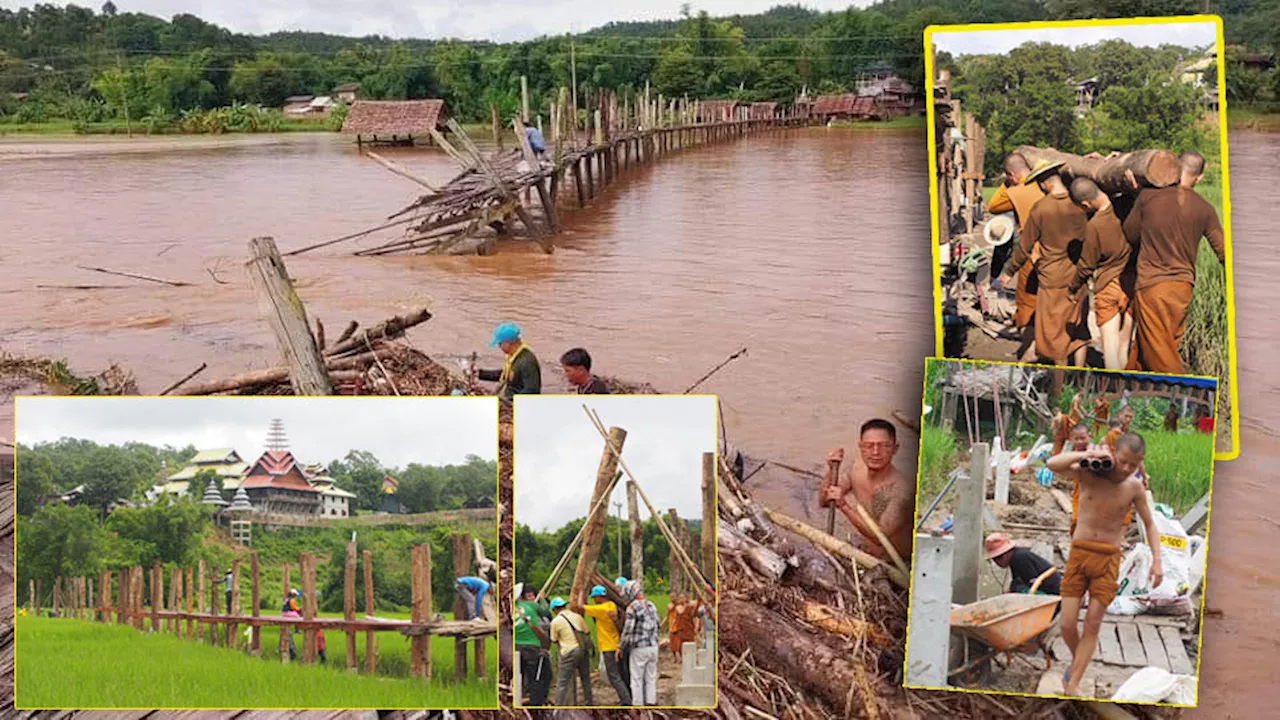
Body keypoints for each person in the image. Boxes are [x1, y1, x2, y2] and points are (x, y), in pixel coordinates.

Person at [1048, 434, 1163, 697]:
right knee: (1067, 624)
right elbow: (1053, 463)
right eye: (1122, 462)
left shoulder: (1134, 488)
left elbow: (1150, 524)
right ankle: (1079, 664)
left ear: (1140, 463)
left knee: (1092, 623)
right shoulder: (1089, 474)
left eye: (1132, 466)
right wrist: (1087, 456)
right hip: (1079, 554)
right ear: (1113, 454)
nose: (1125, 469)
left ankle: (1073, 683)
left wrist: (1157, 562)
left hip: (1108, 558)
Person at [1122, 152, 1226, 373]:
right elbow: (1225, 252)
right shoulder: (1205, 208)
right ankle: (1127, 390)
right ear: (1199, 177)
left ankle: (1180, 396)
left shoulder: (1148, 197)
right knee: (1149, 349)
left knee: (1162, 357)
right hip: (1182, 289)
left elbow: (1130, 234)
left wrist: (1137, 198)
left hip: (1152, 286)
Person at [998, 160, 1090, 367]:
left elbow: (1025, 246)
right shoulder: (1080, 204)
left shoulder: (1042, 208)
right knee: (1079, 330)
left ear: (1043, 182)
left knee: (1055, 338)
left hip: (1052, 280)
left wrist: (1008, 272)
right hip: (1079, 278)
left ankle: (1059, 387)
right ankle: (1078, 374)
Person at [819, 419, 915, 563]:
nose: (876, 452)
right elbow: (824, 501)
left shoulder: (902, 490)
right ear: (861, 447)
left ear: (895, 448)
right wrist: (831, 471)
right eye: (869, 446)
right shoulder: (855, 469)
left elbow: (880, 538)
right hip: (865, 555)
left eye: (883, 446)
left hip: (897, 562)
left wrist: (844, 506)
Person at [1068, 177, 1135, 370]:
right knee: (1125, 344)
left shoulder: (1094, 226)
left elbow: (1086, 265)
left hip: (1108, 286)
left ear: (1086, 204)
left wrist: (1072, 288)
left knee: (1111, 348)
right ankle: (1125, 393)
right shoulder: (1126, 207)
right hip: (1131, 281)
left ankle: (1113, 392)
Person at [988, 153, 1048, 360]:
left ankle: (1031, 352)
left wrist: (1007, 184)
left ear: (1012, 175)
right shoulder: (1047, 186)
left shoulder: (1017, 192)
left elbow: (993, 206)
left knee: (1027, 305)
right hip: (1057, 256)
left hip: (1031, 255)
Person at [584, 585, 631, 705]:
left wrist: (581, 594)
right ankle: (627, 698)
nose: (594, 600)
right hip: (615, 644)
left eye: (594, 597)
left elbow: (579, 606)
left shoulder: (602, 609)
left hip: (608, 646)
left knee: (614, 676)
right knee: (619, 674)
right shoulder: (611, 605)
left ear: (599, 597)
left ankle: (626, 702)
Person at [618, 580, 660, 706]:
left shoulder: (633, 607)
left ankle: (638, 706)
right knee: (650, 678)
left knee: (636, 679)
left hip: (639, 648)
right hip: (653, 647)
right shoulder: (651, 605)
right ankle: (651, 703)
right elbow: (657, 625)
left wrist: (621, 647)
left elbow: (628, 629)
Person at [477, 322, 541, 401]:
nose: (499, 346)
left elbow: (532, 391)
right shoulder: (514, 356)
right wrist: (480, 374)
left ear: (508, 343)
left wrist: (508, 401)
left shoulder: (527, 362)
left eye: (500, 343)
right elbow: (506, 375)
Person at [984, 532, 1062, 596]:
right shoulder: (1014, 559)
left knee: (1016, 587)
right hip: (1047, 590)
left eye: (999, 558)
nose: (997, 562)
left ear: (1007, 552)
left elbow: (1032, 583)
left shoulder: (1020, 558)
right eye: (994, 559)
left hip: (1053, 594)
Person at [513, 583, 553, 706]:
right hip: (531, 647)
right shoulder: (531, 605)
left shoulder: (511, 609)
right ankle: (535, 703)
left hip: (516, 646)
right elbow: (546, 611)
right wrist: (542, 599)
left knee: (519, 675)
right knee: (535, 677)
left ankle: (519, 700)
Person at [548, 597, 592, 706]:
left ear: (554, 609)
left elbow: (554, 640)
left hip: (569, 652)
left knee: (562, 682)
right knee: (585, 679)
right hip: (583, 650)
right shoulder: (577, 616)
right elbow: (587, 631)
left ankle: (558, 707)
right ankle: (589, 703)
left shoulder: (556, 621)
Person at [1063, 423, 1093, 537]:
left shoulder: (1095, 451)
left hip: (1095, 494)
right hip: (1079, 493)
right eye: (1077, 439)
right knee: (1076, 520)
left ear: (1089, 437)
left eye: (1083, 438)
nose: (1080, 442)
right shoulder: (1072, 454)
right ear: (1071, 438)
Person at [663, 593, 697, 665]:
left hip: (689, 628)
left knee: (690, 643)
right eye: (680, 598)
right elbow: (675, 618)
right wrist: (671, 627)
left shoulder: (690, 607)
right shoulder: (676, 608)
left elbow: (694, 617)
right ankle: (681, 658)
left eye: (683, 598)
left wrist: (696, 627)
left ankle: (691, 658)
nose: (681, 600)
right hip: (680, 628)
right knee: (680, 645)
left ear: (686, 598)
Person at [281, 588, 302, 661]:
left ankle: (297, 628)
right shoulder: (292, 600)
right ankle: (297, 629)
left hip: (284, 613)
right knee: (298, 616)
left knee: (296, 615)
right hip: (287, 613)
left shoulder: (287, 599)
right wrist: (299, 609)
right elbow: (293, 607)